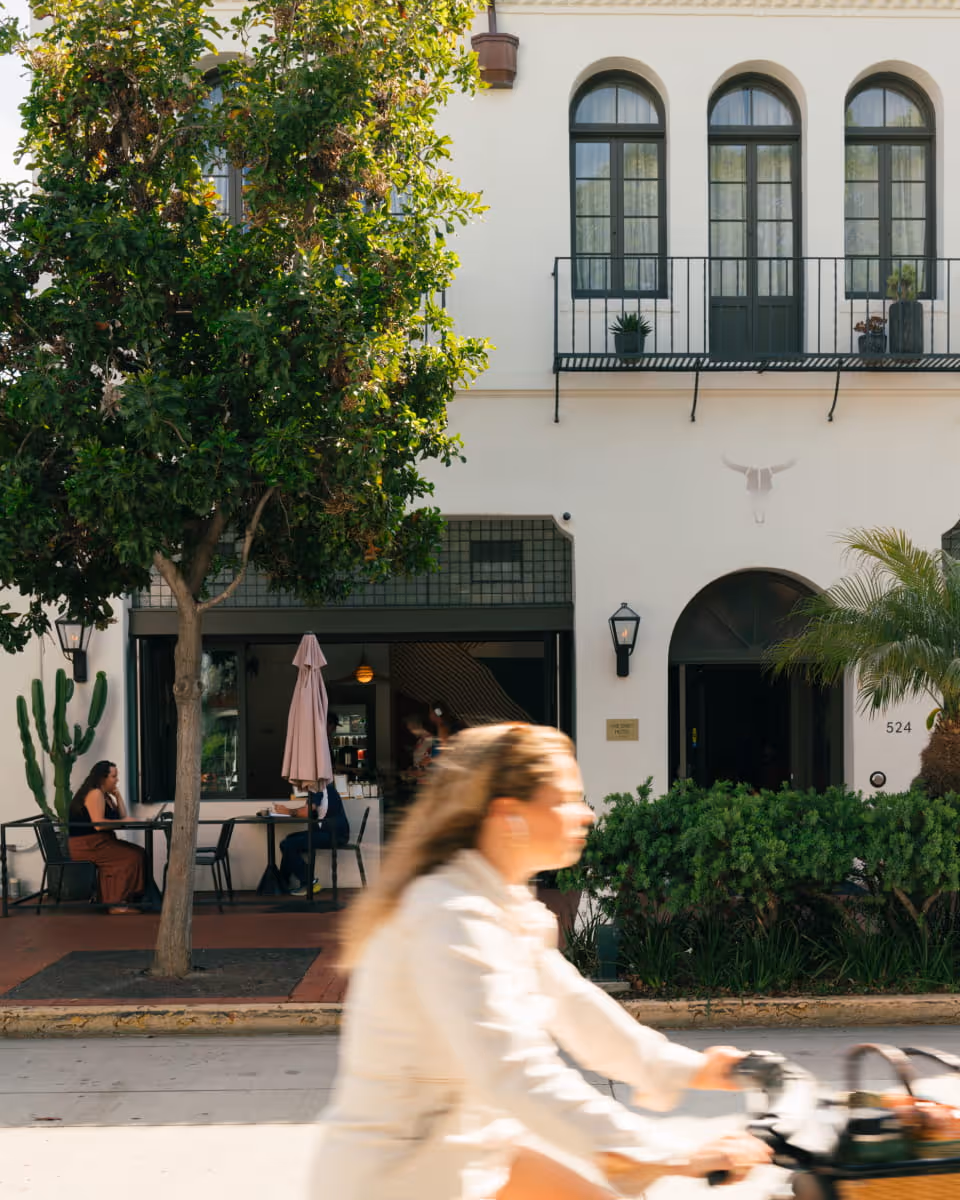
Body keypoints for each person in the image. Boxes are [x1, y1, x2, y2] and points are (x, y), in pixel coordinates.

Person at [315, 723, 772, 1200]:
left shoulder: (503, 905)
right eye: (567, 799)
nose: (586, 814)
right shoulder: (449, 915)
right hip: (399, 1176)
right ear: (509, 814)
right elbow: (516, 1072)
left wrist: (695, 1069)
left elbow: (579, 1011)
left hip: (467, 1155)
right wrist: (668, 1152)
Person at [276, 713, 350, 896]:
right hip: (330, 831)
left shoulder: (317, 784)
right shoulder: (319, 783)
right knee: (288, 842)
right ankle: (282, 883)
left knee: (289, 844)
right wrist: (288, 811)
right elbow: (308, 809)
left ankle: (309, 882)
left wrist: (288, 812)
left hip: (333, 834)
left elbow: (309, 812)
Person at [68, 760, 147, 915]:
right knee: (130, 857)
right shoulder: (95, 793)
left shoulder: (105, 796)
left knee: (140, 853)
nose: (116, 780)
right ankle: (115, 904)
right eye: (113, 776)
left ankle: (128, 898)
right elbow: (99, 825)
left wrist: (117, 795)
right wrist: (122, 821)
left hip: (102, 842)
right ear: (102, 778)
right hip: (88, 845)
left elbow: (123, 816)